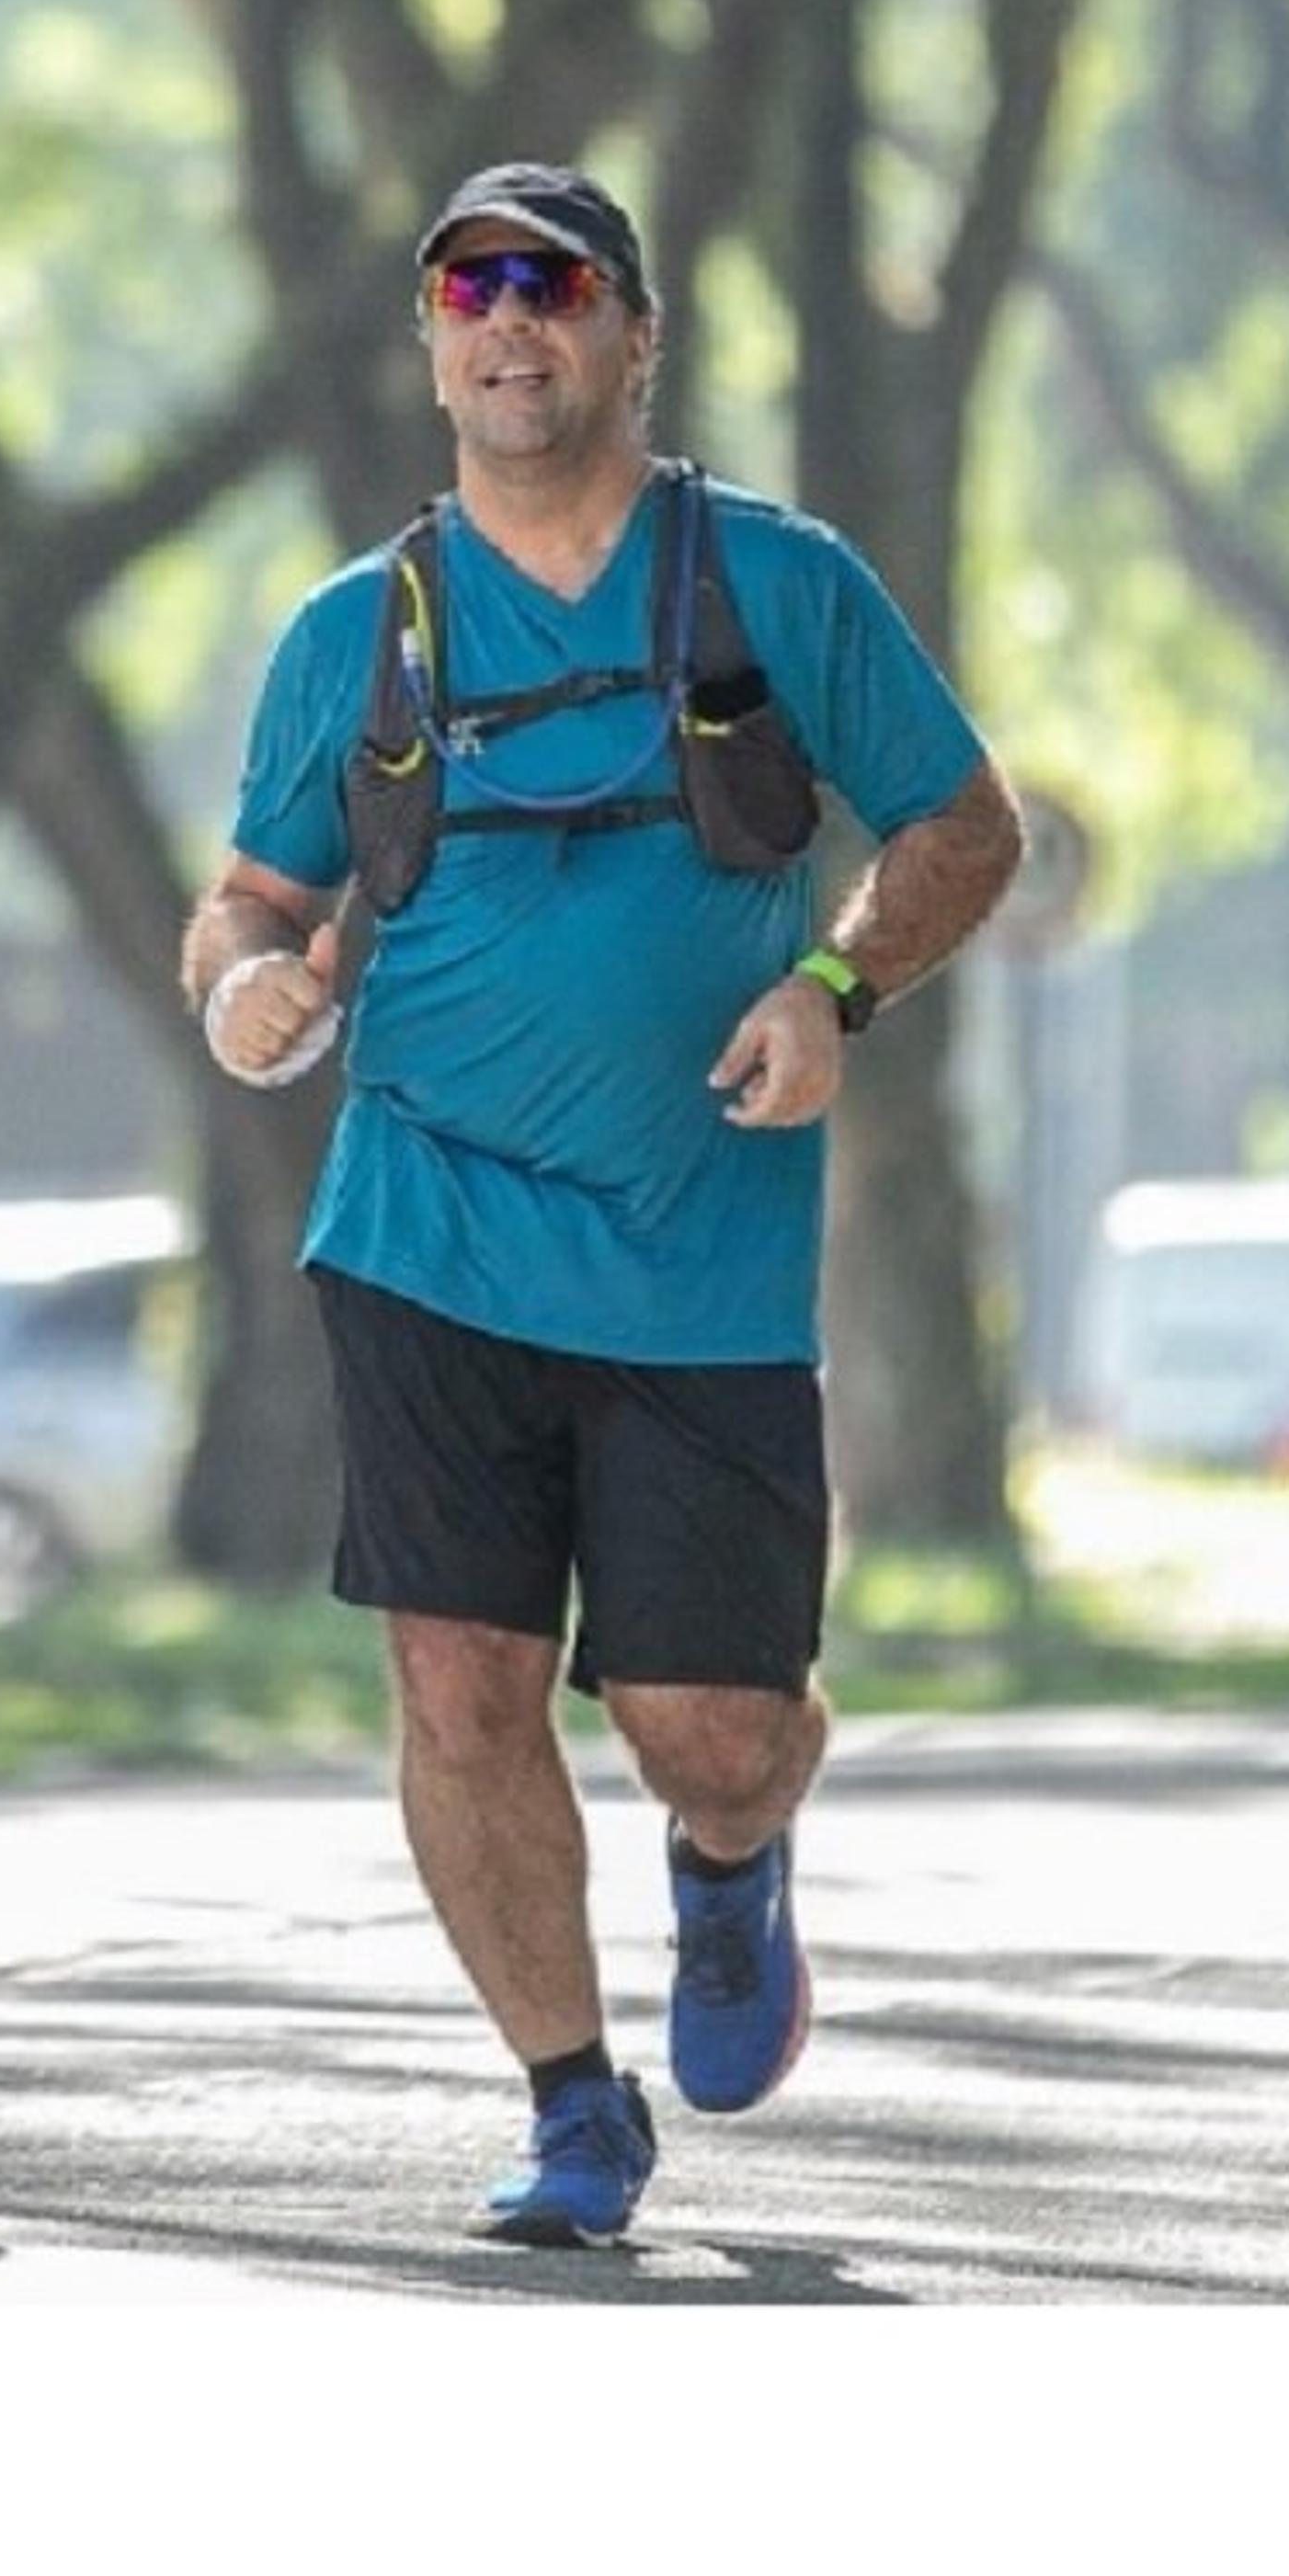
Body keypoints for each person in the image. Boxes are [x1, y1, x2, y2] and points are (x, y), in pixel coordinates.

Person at [182, 160, 1024, 2247]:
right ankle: (573, 2105)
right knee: (460, 1683)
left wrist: (838, 988)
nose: (510, 324)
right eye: (470, 289)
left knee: (710, 1727)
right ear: (431, 340)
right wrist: (242, 992)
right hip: (423, 1233)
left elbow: (965, 824)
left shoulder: (772, 580)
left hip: (701, 1255)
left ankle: (733, 1865)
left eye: (555, 289)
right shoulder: (352, 632)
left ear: (635, 331)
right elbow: (251, 897)